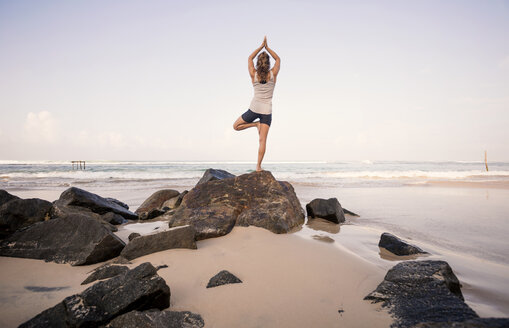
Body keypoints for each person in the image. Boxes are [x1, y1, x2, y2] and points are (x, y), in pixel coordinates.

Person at [233, 36, 280, 172]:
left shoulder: (253, 73)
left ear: (258, 63)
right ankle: (258, 166)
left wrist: (260, 47)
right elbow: (278, 59)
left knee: (236, 126)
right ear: (268, 63)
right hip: (266, 111)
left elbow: (249, 58)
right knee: (262, 141)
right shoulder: (273, 74)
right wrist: (267, 47)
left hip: (254, 109)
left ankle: (255, 124)